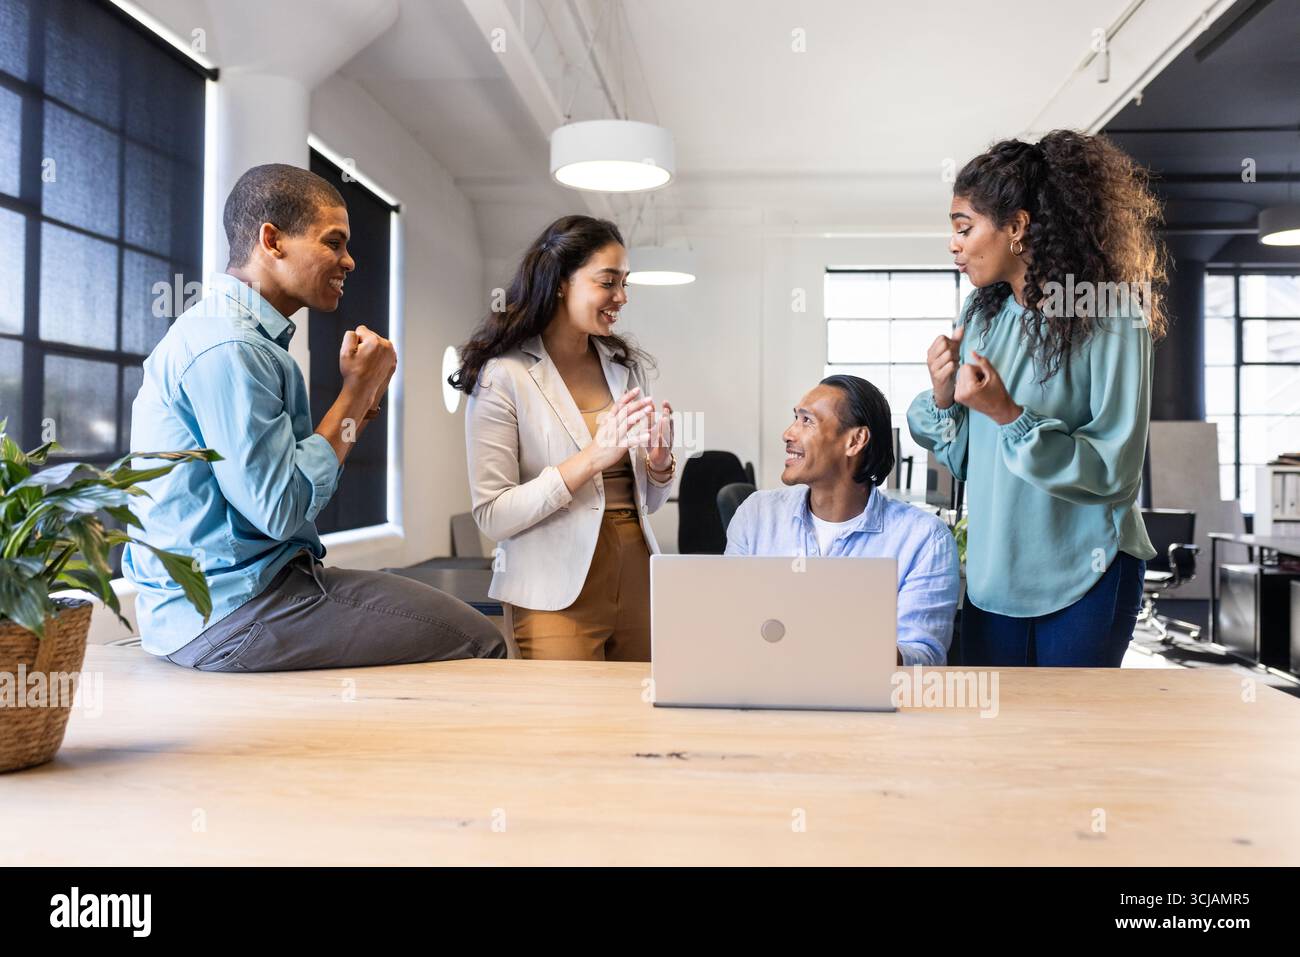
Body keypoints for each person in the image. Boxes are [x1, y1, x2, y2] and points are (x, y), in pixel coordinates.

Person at [124, 163, 506, 671]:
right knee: (482, 639)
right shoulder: (232, 346)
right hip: (232, 613)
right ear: (272, 240)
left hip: (246, 594)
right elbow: (282, 510)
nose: (349, 262)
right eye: (334, 243)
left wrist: (362, 401)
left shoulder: (243, 338)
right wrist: (359, 389)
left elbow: (288, 494)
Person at [907, 131, 1165, 667]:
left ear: (1017, 227)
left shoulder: (1112, 314)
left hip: (1087, 573)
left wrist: (1009, 415)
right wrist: (943, 397)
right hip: (994, 577)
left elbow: (1115, 471)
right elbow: (969, 462)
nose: (954, 245)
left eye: (964, 228)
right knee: (996, 744)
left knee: (1073, 742)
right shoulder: (982, 316)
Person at [452, 215, 676, 661]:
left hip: (637, 570)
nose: (622, 297)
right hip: (551, 588)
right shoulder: (503, 376)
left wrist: (659, 463)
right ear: (560, 283)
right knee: (567, 725)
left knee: (641, 723)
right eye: (608, 282)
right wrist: (593, 457)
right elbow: (493, 515)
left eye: (625, 283)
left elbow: (648, 502)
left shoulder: (623, 366)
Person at [725, 375, 960, 665]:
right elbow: (731, 627)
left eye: (807, 421)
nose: (788, 433)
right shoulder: (756, 516)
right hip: (765, 694)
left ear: (855, 441)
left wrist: (841, 642)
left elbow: (924, 659)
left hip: (867, 704)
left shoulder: (924, 539)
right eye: (795, 418)